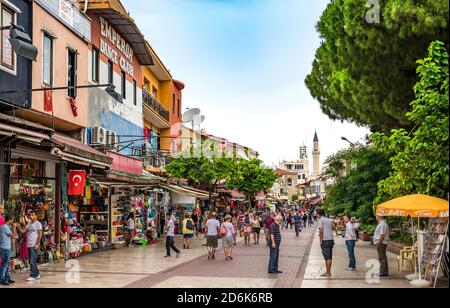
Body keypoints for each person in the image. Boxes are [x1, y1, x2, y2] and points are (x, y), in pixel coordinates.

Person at [16, 211, 42, 281]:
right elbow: (23, 231)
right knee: (31, 261)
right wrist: (18, 227)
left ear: (36, 216)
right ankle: (37, 274)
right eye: (30, 215)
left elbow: (40, 235)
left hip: (34, 245)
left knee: (32, 260)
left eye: (33, 215)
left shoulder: (38, 224)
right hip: (29, 244)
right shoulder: (29, 224)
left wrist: (37, 244)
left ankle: (32, 275)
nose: (31, 216)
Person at [317, 209, 335, 278]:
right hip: (331, 240)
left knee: (327, 258)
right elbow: (333, 226)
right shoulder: (328, 220)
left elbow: (321, 231)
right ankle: (328, 271)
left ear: (319, 214)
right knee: (329, 257)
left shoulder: (320, 220)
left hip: (325, 240)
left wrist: (321, 241)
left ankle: (328, 272)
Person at [0, 214, 17, 286]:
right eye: (12, 219)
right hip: (5, 248)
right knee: (4, 264)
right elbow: (13, 236)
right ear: (10, 219)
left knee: (7, 264)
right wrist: (14, 227)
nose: (13, 221)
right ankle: (2, 279)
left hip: (6, 247)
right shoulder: (5, 227)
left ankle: (7, 278)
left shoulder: (4, 227)